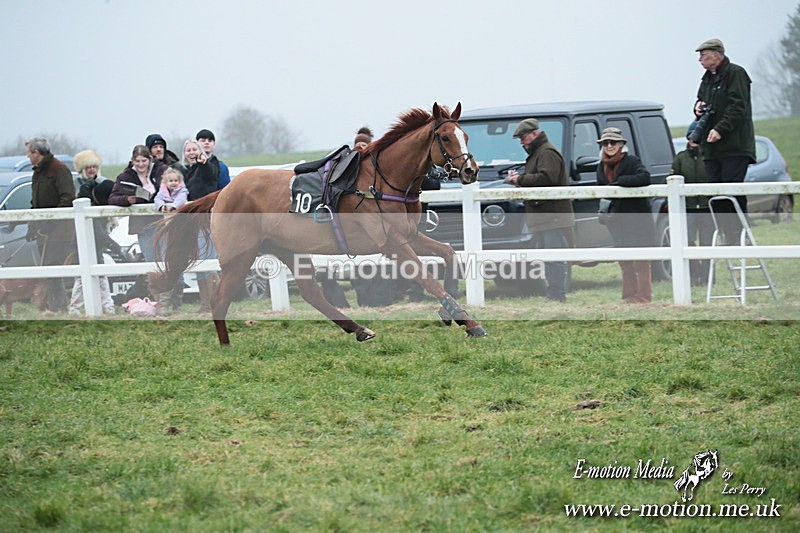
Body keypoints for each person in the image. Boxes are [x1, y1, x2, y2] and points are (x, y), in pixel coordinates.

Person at [694, 38, 756, 244]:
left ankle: (740, 235)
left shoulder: (736, 73)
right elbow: (702, 102)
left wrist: (720, 129)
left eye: (704, 55)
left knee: (732, 192)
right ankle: (725, 235)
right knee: (715, 194)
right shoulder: (706, 79)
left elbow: (738, 107)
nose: (700, 59)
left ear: (717, 54)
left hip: (735, 147)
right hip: (712, 149)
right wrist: (697, 107)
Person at [506, 118, 575, 303]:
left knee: (554, 258)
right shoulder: (542, 152)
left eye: (523, 137)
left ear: (535, 134)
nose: (522, 142)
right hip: (547, 216)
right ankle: (554, 294)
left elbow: (547, 178)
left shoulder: (547, 153)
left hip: (552, 216)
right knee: (549, 257)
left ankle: (557, 295)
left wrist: (520, 180)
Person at [596, 127, 654, 304]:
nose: (610, 146)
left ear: (621, 144)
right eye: (606, 143)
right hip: (616, 220)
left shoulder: (632, 161)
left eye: (613, 142)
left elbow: (645, 177)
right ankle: (628, 295)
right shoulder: (601, 166)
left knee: (640, 260)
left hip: (636, 218)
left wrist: (620, 183)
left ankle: (643, 296)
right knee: (624, 259)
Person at [25, 137, 76, 313]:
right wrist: (33, 226)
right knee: (49, 269)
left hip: (60, 231)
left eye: (29, 154)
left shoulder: (59, 169)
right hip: (44, 230)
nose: (28, 157)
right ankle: (59, 306)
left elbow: (68, 197)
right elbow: (36, 202)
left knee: (52, 267)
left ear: (36, 153)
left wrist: (49, 222)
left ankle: (58, 308)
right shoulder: (38, 172)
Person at [108, 145, 167, 264]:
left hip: (163, 222)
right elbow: (112, 198)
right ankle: (155, 282)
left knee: (168, 260)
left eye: (144, 161)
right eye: (137, 161)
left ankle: (174, 283)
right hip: (142, 225)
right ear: (132, 161)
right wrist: (127, 200)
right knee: (152, 261)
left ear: (150, 159)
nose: (141, 164)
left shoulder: (161, 171)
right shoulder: (125, 176)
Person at [671, 122, 713, 286]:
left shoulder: (709, 157)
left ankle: (708, 277)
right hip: (687, 209)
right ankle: (693, 275)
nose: (694, 139)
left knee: (706, 243)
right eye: (692, 135)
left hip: (706, 209)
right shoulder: (680, 158)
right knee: (687, 242)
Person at [68, 180, 120, 315]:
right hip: (83, 244)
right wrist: (114, 246)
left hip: (93, 243)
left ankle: (106, 306)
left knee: (98, 274)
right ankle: (77, 308)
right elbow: (97, 231)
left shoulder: (90, 199)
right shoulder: (90, 206)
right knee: (84, 277)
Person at [183, 138, 219, 312]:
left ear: (200, 152)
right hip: (194, 221)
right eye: (188, 150)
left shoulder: (207, 166)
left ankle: (212, 302)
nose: (191, 153)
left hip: (207, 219)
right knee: (200, 260)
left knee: (208, 259)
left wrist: (203, 163)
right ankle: (206, 302)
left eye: (194, 149)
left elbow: (210, 174)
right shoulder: (186, 172)